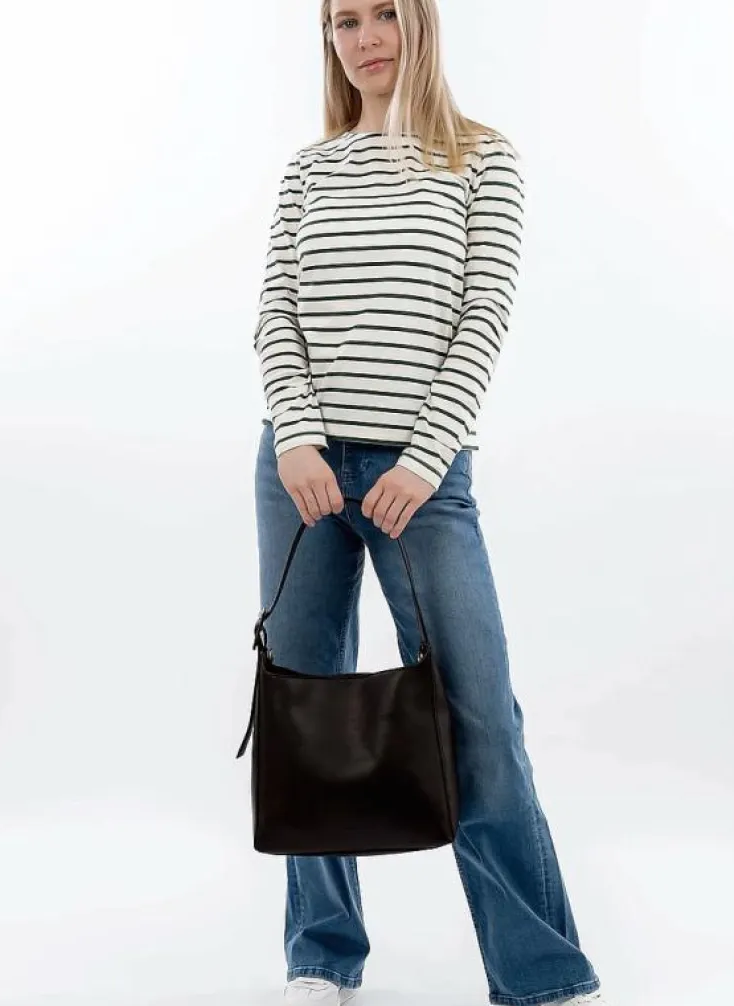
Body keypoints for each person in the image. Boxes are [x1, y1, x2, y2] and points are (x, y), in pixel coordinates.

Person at [251, 2, 608, 1004]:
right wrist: (296, 434)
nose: (364, 38)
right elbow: (275, 312)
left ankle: (540, 976)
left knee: (478, 714)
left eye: (384, 16)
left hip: (423, 476)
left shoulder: (481, 158)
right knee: (307, 704)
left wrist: (423, 457)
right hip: (300, 468)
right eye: (343, 21)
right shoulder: (309, 170)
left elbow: (481, 316)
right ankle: (321, 954)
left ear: (421, 25)